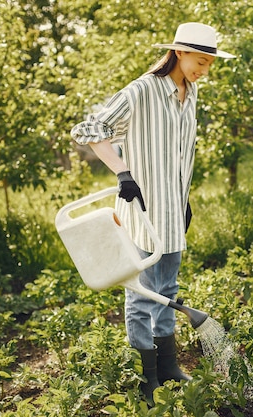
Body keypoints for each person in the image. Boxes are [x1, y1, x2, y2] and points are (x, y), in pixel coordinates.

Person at [70, 22, 235, 401]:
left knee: (169, 289)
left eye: (210, 63)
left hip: (173, 209)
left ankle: (168, 367)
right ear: (178, 52)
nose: (204, 69)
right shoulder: (142, 90)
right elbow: (89, 130)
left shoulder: (190, 93)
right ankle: (147, 380)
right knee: (142, 295)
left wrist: (184, 197)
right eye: (200, 61)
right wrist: (122, 172)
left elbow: (178, 153)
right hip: (141, 210)